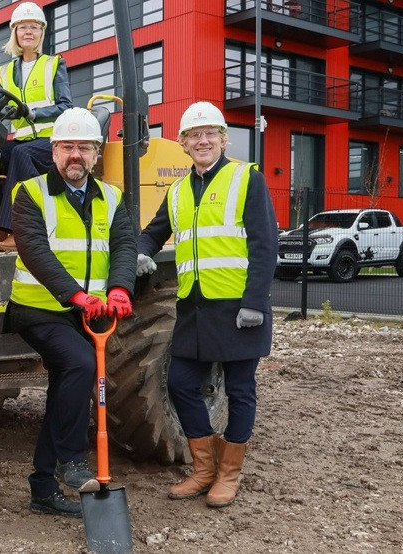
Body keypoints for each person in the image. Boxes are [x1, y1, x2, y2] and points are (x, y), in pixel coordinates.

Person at [135, 101, 278, 508]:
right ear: (182, 143)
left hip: (237, 308)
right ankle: (203, 470)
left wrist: (255, 302)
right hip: (195, 308)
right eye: (194, 135)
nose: (202, 141)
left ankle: (228, 474)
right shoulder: (178, 189)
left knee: (239, 389)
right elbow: (153, 231)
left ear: (222, 138)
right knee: (180, 382)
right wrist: (143, 251)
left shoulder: (245, 178)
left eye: (209, 133)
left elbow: (265, 245)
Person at [6, 107, 136, 517]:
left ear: (97, 154)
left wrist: (119, 287)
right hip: (39, 308)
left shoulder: (112, 197)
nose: (75, 155)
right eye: (66, 147)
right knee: (81, 365)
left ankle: (43, 488)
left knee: (68, 389)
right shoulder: (30, 192)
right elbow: (35, 250)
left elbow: (125, 246)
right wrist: (75, 295)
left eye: (84, 147)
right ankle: (70, 460)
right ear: (53, 151)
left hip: (89, 313)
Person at [0, 1, 73, 251]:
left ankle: (20, 229)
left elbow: (65, 106)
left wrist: (34, 112)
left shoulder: (54, 65)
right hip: (23, 140)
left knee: (20, 154)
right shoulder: (6, 71)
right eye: (22, 27)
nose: (28, 32)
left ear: (41, 32)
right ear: (15, 33)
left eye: (33, 27)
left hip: (52, 142)